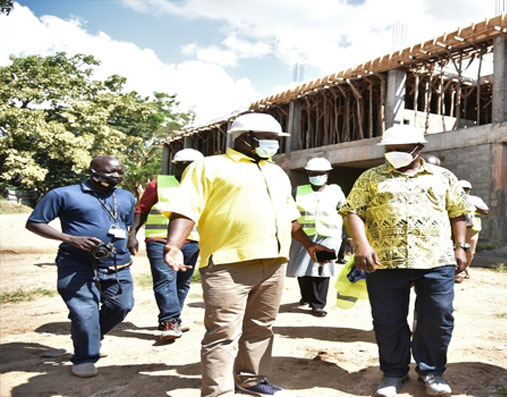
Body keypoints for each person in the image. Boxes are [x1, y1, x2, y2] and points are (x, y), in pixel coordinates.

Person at [161, 113, 334, 397]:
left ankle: (251, 379)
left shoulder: (276, 172)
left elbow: (290, 217)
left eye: (277, 140)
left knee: (262, 327)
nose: (274, 144)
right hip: (228, 263)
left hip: (274, 262)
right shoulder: (208, 166)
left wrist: (309, 245)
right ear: (244, 137)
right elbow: (186, 208)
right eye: (269, 139)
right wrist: (175, 245)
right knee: (223, 333)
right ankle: (218, 391)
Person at [339, 124, 469, 397]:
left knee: (438, 316)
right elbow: (352, 211)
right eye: (390, 149)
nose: (394, 153)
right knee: (388, 319)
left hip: (435, 259)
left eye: (400, 149)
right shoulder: (370, 177)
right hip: (384, 261)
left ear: (418, 149)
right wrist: (362, 246)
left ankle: (432, 371)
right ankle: (393, 373)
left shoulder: (443, 176)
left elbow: (458, 212)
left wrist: (460, 247)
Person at [25, 156, 136, 378]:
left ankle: (92, 337)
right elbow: (34, 223)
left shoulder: (125, 196)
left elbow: (127, 223)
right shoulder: (63, 194)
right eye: (110, 173)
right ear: (93, 172)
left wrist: (131, 238)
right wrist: (70, 239)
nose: (116, 177)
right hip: (76, 264)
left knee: (121, 306)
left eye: (120, 173)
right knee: (84, 312)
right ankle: (85, 357)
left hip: (117, 264)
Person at [130, 148, 204, 341]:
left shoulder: (204, 186)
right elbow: (142, 209)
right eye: (185, 165)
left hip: (192, 241)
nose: (189, 169)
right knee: (165, 278)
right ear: (176, 166)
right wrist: (133, 234)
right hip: (159, 239)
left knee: (183, 282)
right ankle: (170, 321)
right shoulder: (158, 185)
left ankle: (173, 319)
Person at [286, 157, 346, 318]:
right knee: (303, 269)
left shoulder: (336, 191)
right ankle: (306, 296)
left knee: (323, 268)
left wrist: (349, 237)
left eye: (321, 173)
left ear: (328, 174)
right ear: (308, 173)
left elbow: (345, 212)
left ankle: (318, 304)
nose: (318, 176)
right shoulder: (298, 191)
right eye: (314, 173)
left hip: (328, 236)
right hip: (303, 237)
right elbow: (290, 212)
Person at [455, 180, 489, 283]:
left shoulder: (475, 199)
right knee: (456, 248)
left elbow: (486, 211)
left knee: (470, 251)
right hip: (456, 227)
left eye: (466, 189)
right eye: (462, 189)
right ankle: (456, 272)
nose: (464, 191)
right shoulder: (453, 198)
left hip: (472, 229)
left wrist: (473, 206)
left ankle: (465, 268)